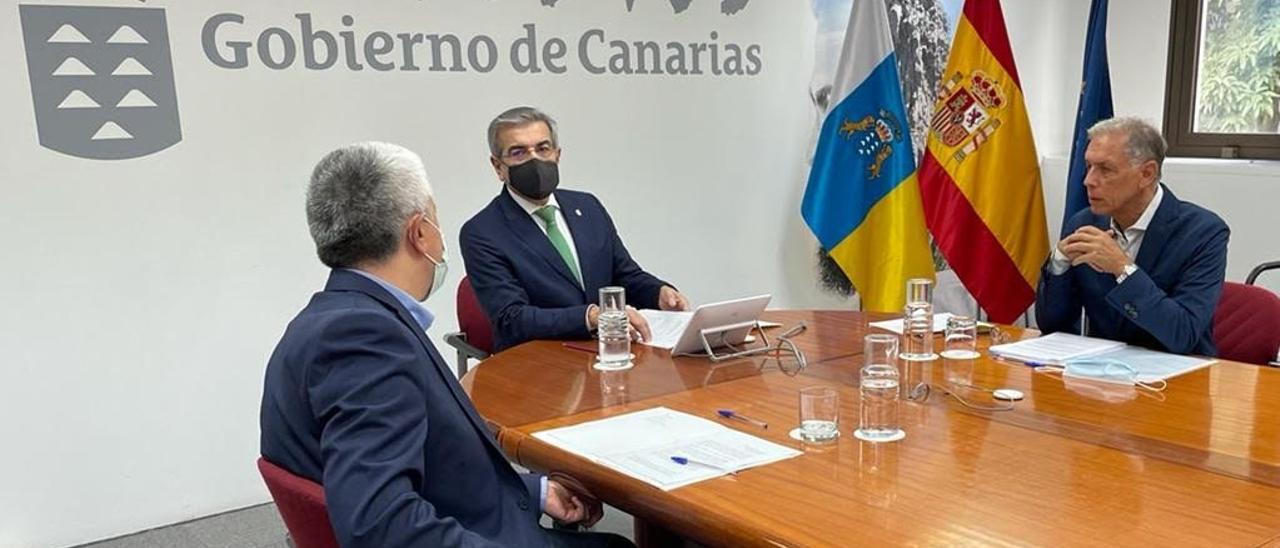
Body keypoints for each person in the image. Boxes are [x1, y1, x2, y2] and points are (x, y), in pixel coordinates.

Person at [260, 142, 632, 547]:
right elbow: (381, 524)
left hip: (472, 516)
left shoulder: (336, 316)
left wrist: (534, 492)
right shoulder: (362, 337)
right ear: (420, 233)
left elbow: (434, 470)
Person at [460, 106, 689, 352]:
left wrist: (659, 293)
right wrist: (589, 316)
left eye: (543, 148)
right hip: (536, 364)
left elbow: (624, 275)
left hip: (610, 352)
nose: (534, 159)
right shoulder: (482, 232)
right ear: (498, 166)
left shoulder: (587, 206)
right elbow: (511, 319)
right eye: (518, 152)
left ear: (557, 154)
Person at [1036, 117, 1229, 356]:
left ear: (1147, 174)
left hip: (1178, 376)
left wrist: (1122, 268)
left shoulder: (1203, 232)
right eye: (1088, 166)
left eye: (1105, 169)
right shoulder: (1084, 223)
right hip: (1102, 374)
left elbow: (1183, 334)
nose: (1088, 181)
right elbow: (1052, 325)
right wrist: (1059, 262)